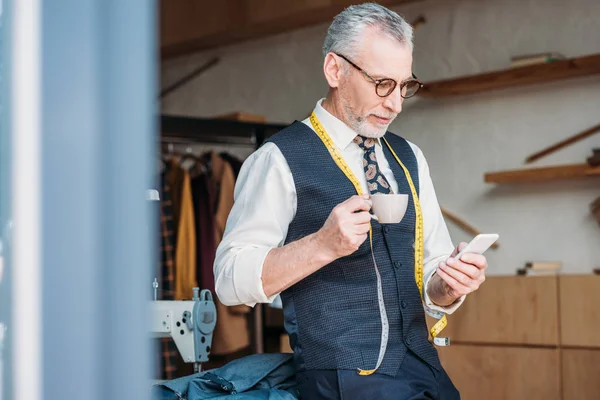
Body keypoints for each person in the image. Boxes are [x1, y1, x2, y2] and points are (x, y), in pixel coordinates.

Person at [214, 3, 488, 399]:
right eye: (381, 83)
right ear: (335, 70)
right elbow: (228, 280)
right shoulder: (277, 160)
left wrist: (446, 286)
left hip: (425, 370)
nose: (395, 103)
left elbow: (432, 269)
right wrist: (321, 245)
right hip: (339, 382)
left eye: (404, 85)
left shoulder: (410, 157)